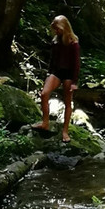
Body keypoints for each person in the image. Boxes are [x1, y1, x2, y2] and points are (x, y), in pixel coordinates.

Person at [33, 15, 80, 143]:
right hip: (56, 72)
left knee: (67, 102)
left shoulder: (73, 43)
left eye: (58, 29)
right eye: (55, 29)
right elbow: (52, 60)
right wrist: (49, 74)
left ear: (64, 28)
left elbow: (76, 64)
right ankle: (45, 123)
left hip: (69, 74)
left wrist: (74, 82)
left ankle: (65, 131)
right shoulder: (56, 42)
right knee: (44, 94)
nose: (56, 31)